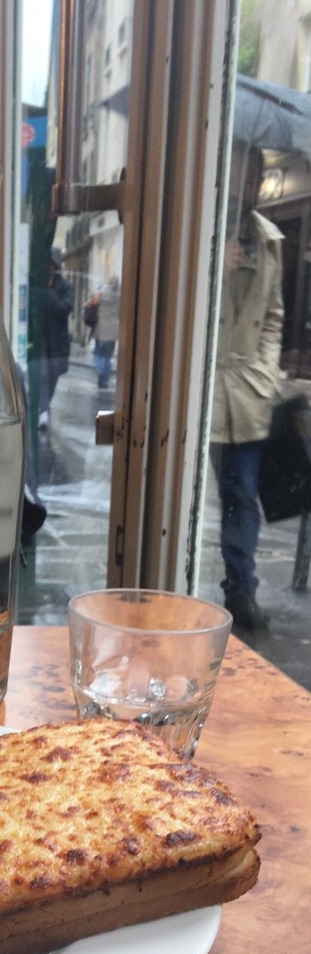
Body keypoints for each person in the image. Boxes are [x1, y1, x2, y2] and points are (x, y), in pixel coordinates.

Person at [210, 143, 284, 633]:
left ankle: (241, 589)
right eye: (242, 169)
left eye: (256, 172)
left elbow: (273, 316)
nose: (250, 181)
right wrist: (215, 269)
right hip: (205, 389)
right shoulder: (200, 228)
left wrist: (267, 372)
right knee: (186, 493)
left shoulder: (270, 239)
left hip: (250, 390)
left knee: (243, 494)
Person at [38, 247, 74, 430]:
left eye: (53, 265)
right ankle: (43, 411)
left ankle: (45, 407)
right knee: (43, 376)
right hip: (41, 342)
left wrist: (47, 292)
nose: (50, 268)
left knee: (52, 378)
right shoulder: (39, 284)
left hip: (57, 343)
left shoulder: (65, 286)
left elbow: (65, 308)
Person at [92, 275, 120, 389]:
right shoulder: (119, 296)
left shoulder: (100, 292)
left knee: (98, 353)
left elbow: (91, 303)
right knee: (108, 357)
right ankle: (105, 381)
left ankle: (99, 372)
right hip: (113, 329)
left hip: (101, 327)